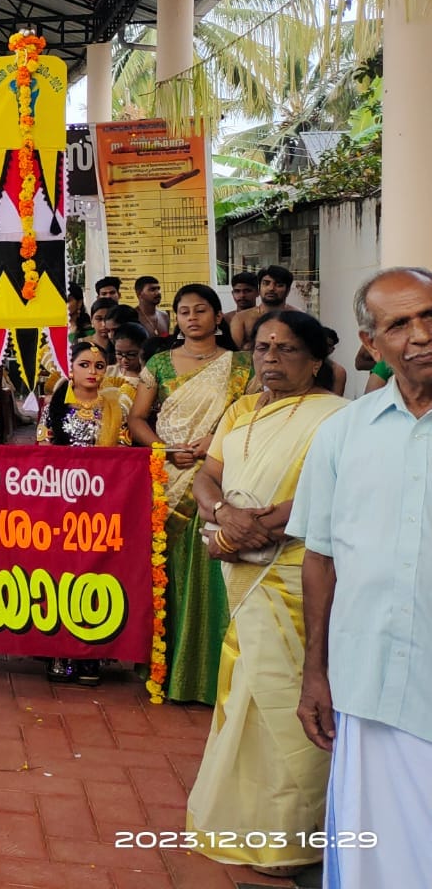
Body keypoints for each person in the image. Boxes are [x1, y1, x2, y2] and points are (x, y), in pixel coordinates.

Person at [183, 311, 344, 873]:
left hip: (295, 574)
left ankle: (294, 837)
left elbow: (334, 495)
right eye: (263, 348)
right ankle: (238, 821)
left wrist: (256, 528)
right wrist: (224, 513)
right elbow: (208, 475)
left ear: (316, 359)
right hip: (242, 564)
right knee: (244, 689)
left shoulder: (339, 418)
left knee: (287, 694)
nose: (272, 358)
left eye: (287, 349)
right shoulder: (240, 409)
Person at [287, 268, 432, 887]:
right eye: (399, 324)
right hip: (367, 685)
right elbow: (320, 557)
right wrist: (315, 671)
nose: (421, 335)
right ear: (370, 344)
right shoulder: (342, 434)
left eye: (430, 316)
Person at [128, 283, 254, 705]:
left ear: (218, 317)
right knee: (169, 570)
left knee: (213, 575)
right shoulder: (160, 364)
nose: (192, 318)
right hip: (168, 477)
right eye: (183, 312)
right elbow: (137, 419)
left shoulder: (241, 366)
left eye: (201, 310)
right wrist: (164, 450)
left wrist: (214, 441)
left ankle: (211, 674)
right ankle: (167, 668)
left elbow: (252, 417)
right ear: (176, 319)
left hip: (220, 476)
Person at [38, 338, 132, 685]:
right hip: (61, 505)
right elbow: (43, 450)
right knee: (61, 574)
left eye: (99, 366)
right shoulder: (56, 406)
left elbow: (122, 453)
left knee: (97, 573)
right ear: (70, 369)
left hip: (101, 505)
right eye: (84, 365)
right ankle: (59, 651)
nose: (92, 372)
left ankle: (91, 655)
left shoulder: (114, 408)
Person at [230, 264, 294, 349]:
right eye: (266, 283)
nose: (271, 288)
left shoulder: (298, 317)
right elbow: (235, 355)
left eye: (279, 284)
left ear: (288, 290)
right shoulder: (241, 318)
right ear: (259, 288)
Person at [106, 320, 149, 392]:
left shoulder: (149, 379)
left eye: (131, 355)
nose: (124, 360)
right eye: (119, 354)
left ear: (143, 351)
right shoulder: (108, 372)